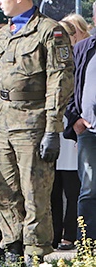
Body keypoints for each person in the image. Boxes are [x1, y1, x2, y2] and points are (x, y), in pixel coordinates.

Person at [0, 0, 74, 263]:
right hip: (2, 125)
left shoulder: (50, 30)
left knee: (35, 195)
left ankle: (35, 256)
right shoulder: (2, 35)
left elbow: (60, 80)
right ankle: (12, 250)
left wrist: (53, 128)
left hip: (32, 125)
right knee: (3, 193)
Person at [52, 16, 88, 249]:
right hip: (55, 131)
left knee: (74, 187)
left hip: (76, 130)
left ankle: (72, 233)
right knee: (53, 188)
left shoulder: (83, 58)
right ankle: (55, 233)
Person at [66, 14, 96, 240]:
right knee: (89, 190)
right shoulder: (83, 48)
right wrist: (74, 118)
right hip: (89, 132)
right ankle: (87, 245)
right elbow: (67, 86)